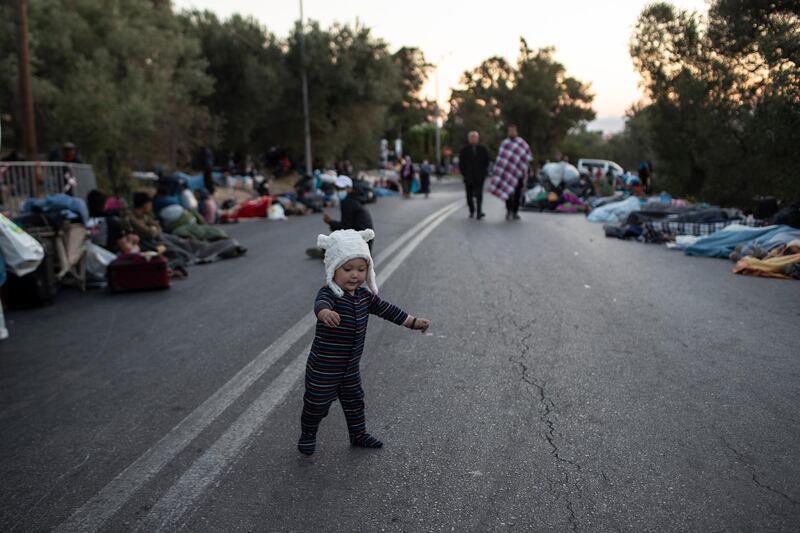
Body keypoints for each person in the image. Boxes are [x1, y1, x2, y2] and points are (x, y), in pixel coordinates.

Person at [298, 229, 430, 455]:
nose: (354, 275)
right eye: (347, 269)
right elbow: (320, 303)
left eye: (361, 269)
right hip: (324, 367)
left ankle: (358, 434)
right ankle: (308, 434)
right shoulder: (331, 293)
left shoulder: (365, 296)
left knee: (355, 401)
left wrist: (412, 322)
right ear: (333, 269)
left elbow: (388, 310)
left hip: (349, 367)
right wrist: (324, 313)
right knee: (316, 405)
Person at [307, 176, 374, 258]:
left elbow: (345, 228)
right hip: (366, 244)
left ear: (349, 188)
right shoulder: (355, 198)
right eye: (337, 189)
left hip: (360, 246)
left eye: (341, 189)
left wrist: (330, 222)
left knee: (335, 238)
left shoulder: (348, 202)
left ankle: (327, 252)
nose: (339, 191)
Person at [489, 124, 533, 220]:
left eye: (513, 131)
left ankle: (515, 212)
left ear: (516, 131)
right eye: (510, 131)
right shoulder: (505, 143)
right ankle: (509, 211)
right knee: (508, 193)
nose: (512, 132)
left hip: (519, 174)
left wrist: (527, 170)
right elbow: (501, 160)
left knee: (517, 194)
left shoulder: (522, 143)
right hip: (507, 174)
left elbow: (527, 157)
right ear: (508, 132)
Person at [458, 131, 490, 219]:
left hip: (479, 176)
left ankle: (479, 212)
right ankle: (472, 210)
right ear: (469, 139)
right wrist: (464, 173)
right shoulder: (464, 150)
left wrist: (484, 173)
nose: (474, 139)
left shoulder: (482, 149)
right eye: (472, 137)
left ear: (478, 138)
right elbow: (461, 163)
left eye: (475, 137)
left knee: (479, 195)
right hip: (468, 176)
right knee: (469, 196)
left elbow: (486, 162)